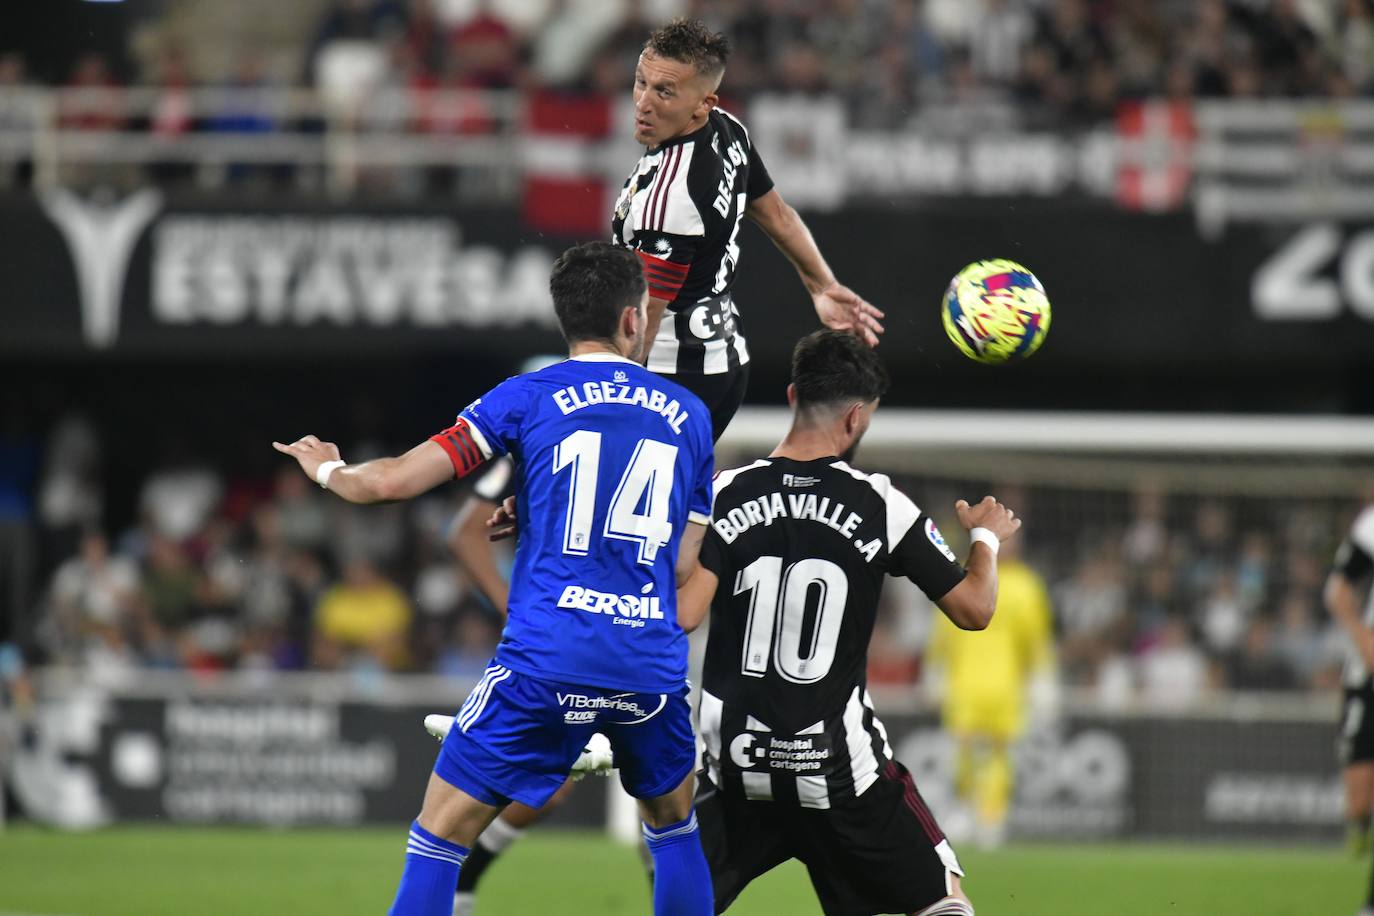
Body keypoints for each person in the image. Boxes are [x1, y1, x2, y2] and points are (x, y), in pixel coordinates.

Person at [273, 242, 716, 916]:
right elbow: (684, 563)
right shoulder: (690, 414)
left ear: (567, 320)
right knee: (675, 827)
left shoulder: (527, 396)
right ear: (634, 320)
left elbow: (388, 483)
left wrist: (328, 469)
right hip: (648, 662)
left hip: (548, 656)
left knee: (440, 832)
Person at [675, 329, 1019, 916]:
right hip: (838, 773)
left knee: (678, 902)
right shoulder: (881, 504)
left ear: (791, 395)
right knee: (945, 904)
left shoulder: (725, 493)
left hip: (738, 768)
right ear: (857, 417)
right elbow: (974, 610)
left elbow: (682, 616)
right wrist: (984, 537)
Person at [613, 18, 885, 440]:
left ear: (703, 103)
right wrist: (822, 285)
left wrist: (610, 407)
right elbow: (778, 215)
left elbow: (646, 319)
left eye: (664, 91)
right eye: (640, 82)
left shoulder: (669, 197)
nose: (643, 102)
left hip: (671, 380)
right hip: (725, 365)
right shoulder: (727, 130)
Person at [925, 532, 1056, 849]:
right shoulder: (960, 576)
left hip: (1005, 686)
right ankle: (967, 811)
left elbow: (1036, 638)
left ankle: (991, 817)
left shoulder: (1026, 585)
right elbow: (942, 631)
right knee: (964, 752)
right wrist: (934, 670)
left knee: (998, 754)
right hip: (964, 683)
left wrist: (1041, 678)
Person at [1325, 502, 1374, 916]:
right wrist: (1365, 639)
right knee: (1359, 798)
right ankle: (1361, 824)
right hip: (1368, 677)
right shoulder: (1372, 525)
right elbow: (1337, 592)